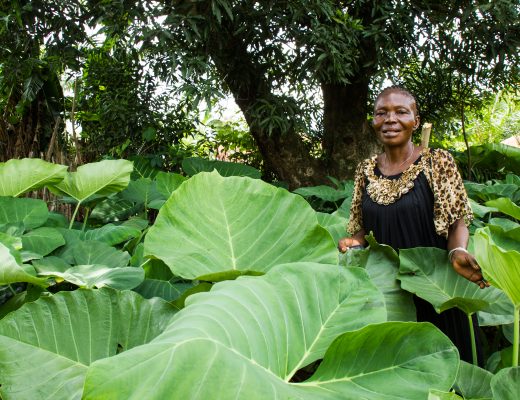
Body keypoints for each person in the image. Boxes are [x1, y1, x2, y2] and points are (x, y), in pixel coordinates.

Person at [338, 86, 489, 364]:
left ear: (415, 121)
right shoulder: (366, 171)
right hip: (390, 292)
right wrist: (354, 242)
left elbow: (457, 221)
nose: (390, 119)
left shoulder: (437, 162)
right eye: (381, 113)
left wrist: (457, 251)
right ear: (373, 121)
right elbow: (361, 228)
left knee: (449, 370)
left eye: (401, 112)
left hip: (435, 287)